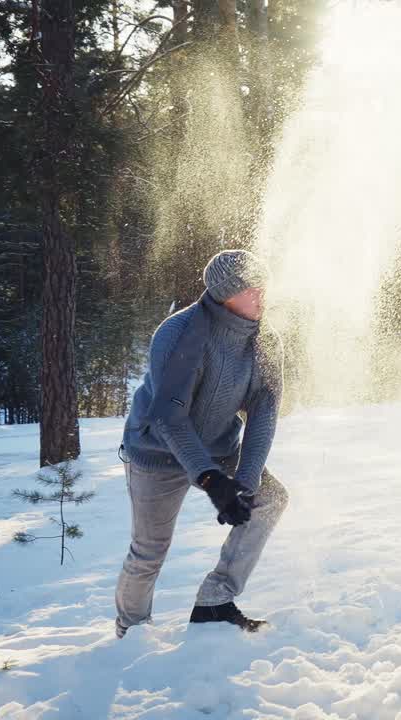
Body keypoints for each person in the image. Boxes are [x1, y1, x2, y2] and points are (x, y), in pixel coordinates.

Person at [115, 249, 286, 638]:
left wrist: (244, 480)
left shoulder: (264, 341)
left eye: (264, 287)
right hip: (156, 453)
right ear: (226, 293)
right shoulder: (179, 332)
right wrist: (211, 481)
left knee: (270, 498)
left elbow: (264, 411)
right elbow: (169, 418)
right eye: (251, 289)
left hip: (218, 446)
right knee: (149, 550)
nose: (262, 296)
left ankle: (215, 600)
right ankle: (131, 630)